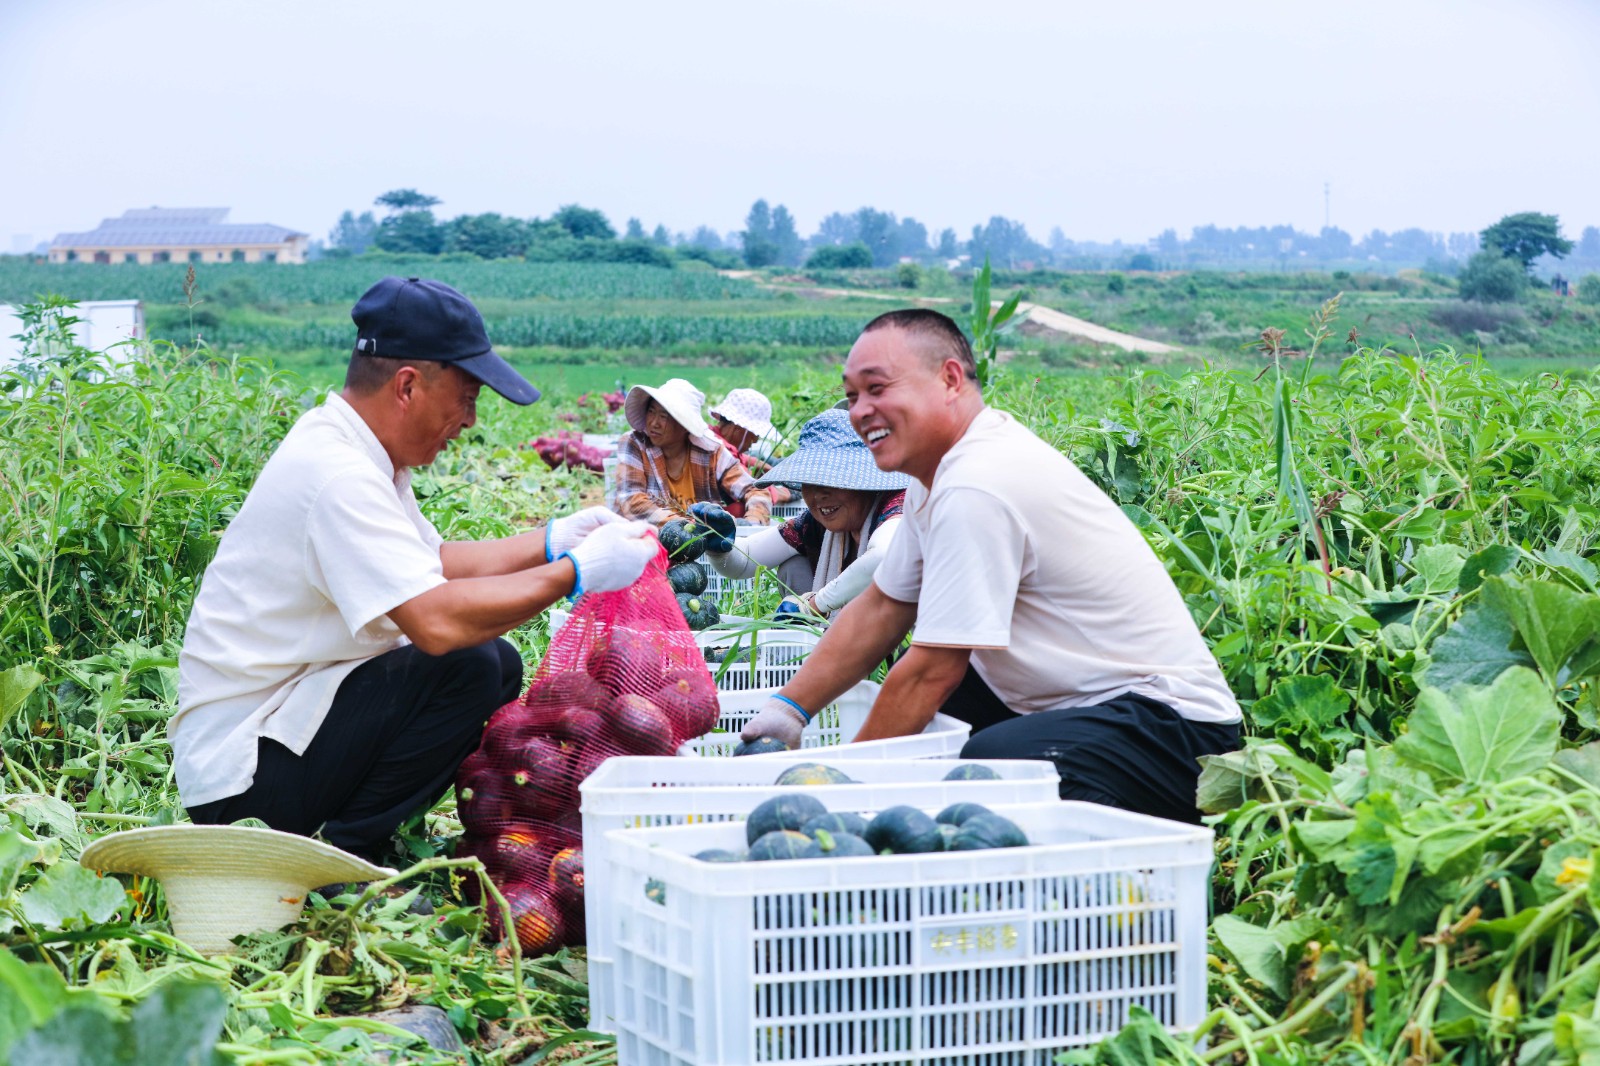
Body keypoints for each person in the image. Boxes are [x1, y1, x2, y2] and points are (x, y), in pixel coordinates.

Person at [175, 277, 658, 861]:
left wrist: (552, 541)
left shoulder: (359, 450)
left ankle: (350, 838)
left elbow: (433, 565)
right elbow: (435, 623)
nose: (471, 419)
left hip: (284, 727)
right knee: (471, 662)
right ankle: (343, 855)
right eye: (469, 396)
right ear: (408, 386)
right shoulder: (339, 475)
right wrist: (575, 574)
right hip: (242, 783)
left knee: (484, 662)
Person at [738, 308, 1241, 824]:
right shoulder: (936, 475)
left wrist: (847, 802)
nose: (861, 410)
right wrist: (787, 711)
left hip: (1175, 731)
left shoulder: (976, 482)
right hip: (1089, 704)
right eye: (852, 396)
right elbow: (884, 606)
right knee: (950, 719)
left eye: (878, 388)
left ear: (949, 379)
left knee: (989, 765)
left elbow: (932, 669)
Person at [702, 408, 908, 617]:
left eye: (832, 480)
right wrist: (720, 544)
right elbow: (746, 562)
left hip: (908, 634)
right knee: (793, 567)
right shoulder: (814, 524)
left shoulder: (898, 504)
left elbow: (884, 556)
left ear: (864, 479)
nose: (818, 495)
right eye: (810, 482)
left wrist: (814, 605)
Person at [611, 377, 772, 526]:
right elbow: (633, 501)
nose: (654, 423)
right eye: (651, 412)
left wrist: (752, 522)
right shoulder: (635, 444)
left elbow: (754, 489)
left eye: (664, 416)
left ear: (684, 425)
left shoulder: (710, 451)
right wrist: (682, 527)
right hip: (646, 541)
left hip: (702, 546)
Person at [708, 388, 792, 505]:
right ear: (738, 430)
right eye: (755, 434)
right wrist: (786, 493)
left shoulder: (712, 436)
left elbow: (736, 455)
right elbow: (750, 487)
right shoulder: (715, 448)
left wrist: (757, 463)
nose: (756, 440)